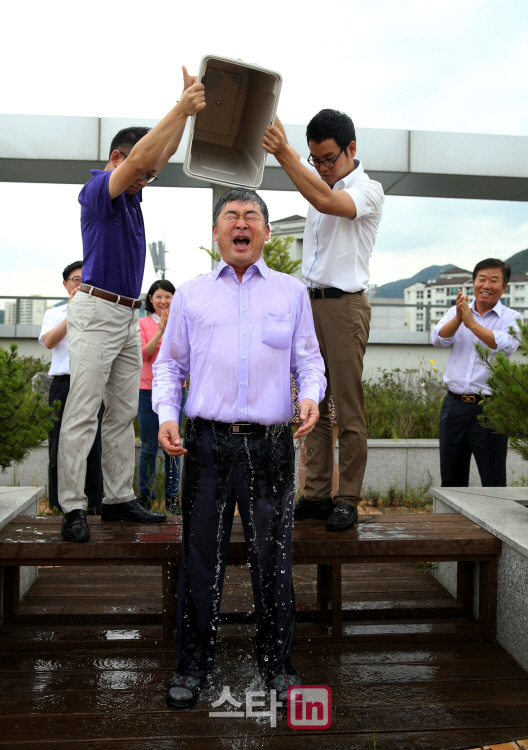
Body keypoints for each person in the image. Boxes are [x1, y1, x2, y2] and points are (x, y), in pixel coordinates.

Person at [153, 188, 326, 710]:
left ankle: (277, 666)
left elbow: (309, 361)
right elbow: (169, 364)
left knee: (272, 560)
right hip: (205, 444)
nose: (241, 223)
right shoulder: (190, 294)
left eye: (252, 215)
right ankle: (192, 667)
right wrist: (166, 415)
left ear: (267, 232)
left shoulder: (292, 293)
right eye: (231, 215)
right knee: (200, 559)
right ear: (216, 232)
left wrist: (312, 396)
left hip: (271, 447)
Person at [57, 67, 206, 543]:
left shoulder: (136, 196)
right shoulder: (98, 190)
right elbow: (144, 155)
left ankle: (119, 499)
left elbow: (157, 153)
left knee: (121, 412)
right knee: (83, 411)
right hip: (96, 310)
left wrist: (184, 110)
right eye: (139, 172)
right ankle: (73, 507)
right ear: (118, 159)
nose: (147, 178)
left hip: (125, 315)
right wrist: (179, 107)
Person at [263, 110, 385, 531]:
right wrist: (292, 154)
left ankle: (347, 498)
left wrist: (284, 153)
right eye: (315, 159)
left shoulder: (369, 190)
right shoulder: (320, 182)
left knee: (347, 408)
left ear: (352, 149)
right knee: (311, 403)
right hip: (309, 303)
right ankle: (315, 494)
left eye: (329, 158)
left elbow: (325, 201)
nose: (322, 167)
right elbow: (318, 192)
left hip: (344, 306)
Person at [432, 258, 522, 487]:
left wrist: (470, 323)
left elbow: (506, 344)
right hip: (454, 406)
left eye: (494, 280)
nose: (486, 285)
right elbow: (438, 339)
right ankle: (453, 523)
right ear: (473, 283)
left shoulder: (512, 318)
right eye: (481, 279)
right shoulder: (456, 311)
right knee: (451, 477)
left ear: (504, 287)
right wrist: (459, 319)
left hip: (491, 407)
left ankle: (494, 522)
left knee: (492, 479)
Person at [39, 261, 104, 514]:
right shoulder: (54, 314)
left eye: (85, 280)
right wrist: (73, 311)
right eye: (76, 279)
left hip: (91, 383)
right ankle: (59, 505)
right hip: (63, 385)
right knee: (59, 444)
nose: (80, 284)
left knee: (93, 446)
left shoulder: (99, 314)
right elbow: (49, 341)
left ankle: (93, 505)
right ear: (65, 284)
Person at [138, 279, 186, 513]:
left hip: (177, 392)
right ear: (150, 299)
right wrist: (160, 331)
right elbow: (143, 356)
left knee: (174, 445)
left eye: (168, 296)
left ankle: (172, 498)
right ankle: (145, 497)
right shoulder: (143, 323)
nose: (163, 301)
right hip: (147, 391)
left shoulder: (181, 324)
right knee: (148, 447)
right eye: (158, 296)